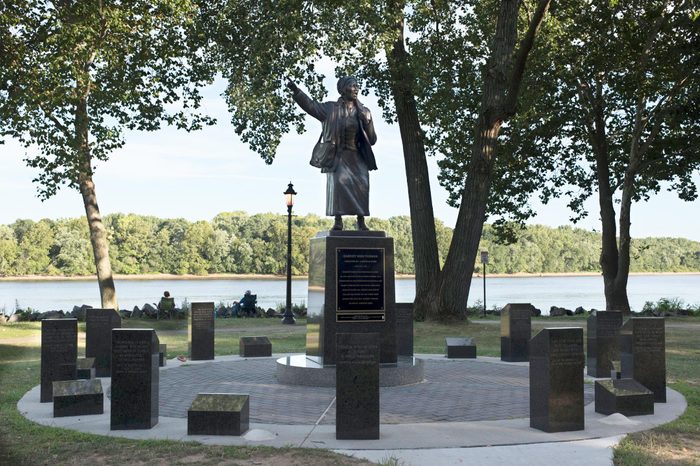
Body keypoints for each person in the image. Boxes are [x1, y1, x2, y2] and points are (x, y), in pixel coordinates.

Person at [287, 76, 377, 231]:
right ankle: (338, 220)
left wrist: (368, 121)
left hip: (358, 157)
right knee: (339, 185)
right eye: (351, 86)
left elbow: (373, 140)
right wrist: (296, 92)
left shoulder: (364, 111)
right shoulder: (330, 109)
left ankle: (361, 221)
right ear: (342, 89)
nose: (356, 89)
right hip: (338, 156)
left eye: (357, 86)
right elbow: (311, 106)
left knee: (362, 185)